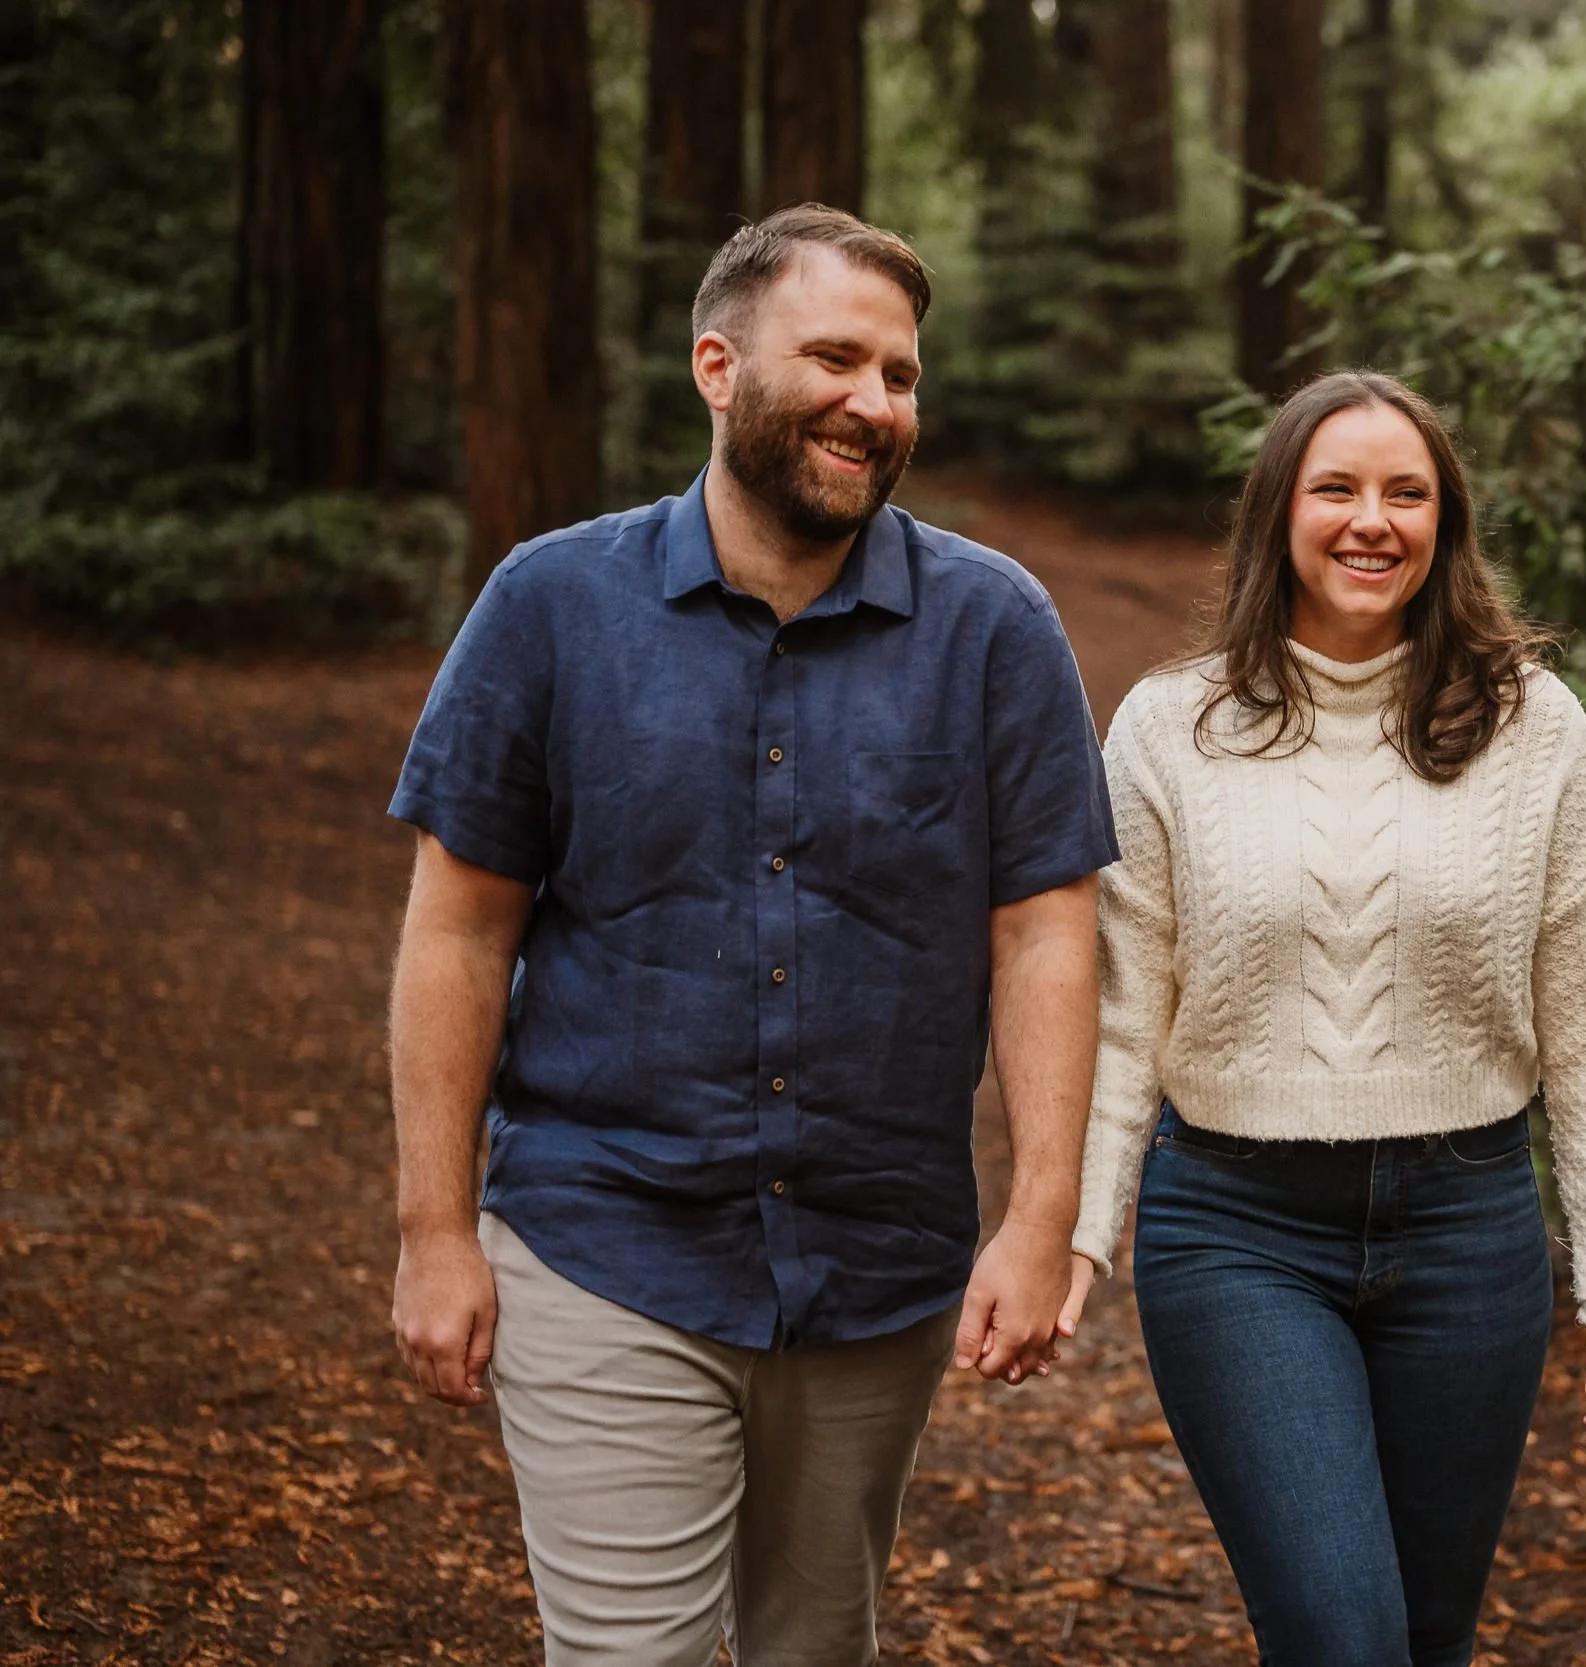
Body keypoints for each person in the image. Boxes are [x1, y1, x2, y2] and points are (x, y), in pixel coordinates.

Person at [385, 205, 1116, 1667]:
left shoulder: (995, 628)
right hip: (607, 1234)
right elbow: (460, 930)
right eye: (835, 358)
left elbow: (1044, 935)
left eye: (900, 375)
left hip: (879, 1267)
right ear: (719, 366)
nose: (874, 402)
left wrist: (1043, 1219)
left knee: (811, 1647)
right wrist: (432, 1227)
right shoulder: (551, 603)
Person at [1060, 370, 1586, 1665]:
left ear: (1445, 523)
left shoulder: (1533, 728)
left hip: (1471, 1230)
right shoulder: (1174, 730)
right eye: (1335, 487)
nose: (1371, 519)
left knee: (1430, 1636)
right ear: (1278, 512)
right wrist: (1073, 1231)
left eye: (1408, 492)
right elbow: (1123, 1013)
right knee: (1345, 1634)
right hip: (1236, 1229)